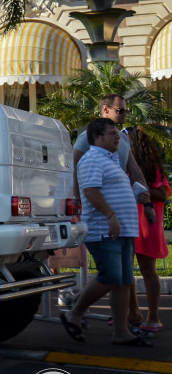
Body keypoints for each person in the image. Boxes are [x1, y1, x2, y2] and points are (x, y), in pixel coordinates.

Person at [60, 118, 149, 347]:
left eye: (117, 133)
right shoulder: (91, 159)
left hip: (123, 231)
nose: (117, 136)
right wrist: (111, 215)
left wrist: (137, 196)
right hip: (104, 231)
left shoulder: (111, 160)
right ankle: (75, 312)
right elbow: (90, 191)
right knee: (111, 277)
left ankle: (121, 332)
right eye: (112, 133)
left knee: (124, 282)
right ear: (96, 138)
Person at [128, 126, 167, 333]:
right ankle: (133, 313)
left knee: (148, 271)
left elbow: (163, 195)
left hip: (147, 224)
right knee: (128, 272)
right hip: (130, 223)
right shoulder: (123, 165)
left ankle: (153, 317)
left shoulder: (153, 168)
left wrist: (139, 188)